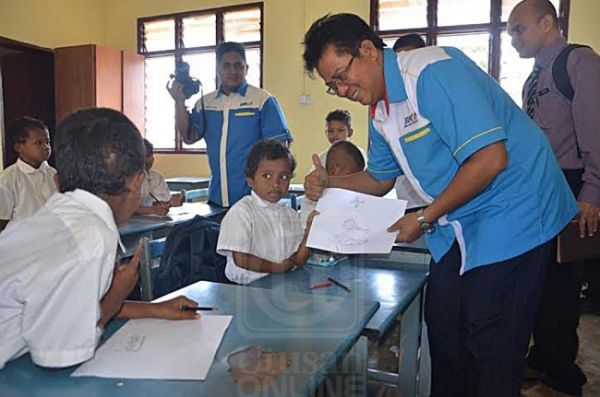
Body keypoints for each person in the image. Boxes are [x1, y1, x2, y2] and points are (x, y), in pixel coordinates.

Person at [302, 13, 578, 397]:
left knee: (489, 333)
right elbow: (380, 179)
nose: (342, 88)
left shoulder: (431, 72)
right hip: (460, 217)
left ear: (367, 50)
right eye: (333, 85)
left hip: (516, 208)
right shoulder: (380, 110)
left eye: (342, 74)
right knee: (444, 322)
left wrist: (426, 216)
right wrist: (330, 183)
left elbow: (491, 159)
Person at [0, 108, 199, 370]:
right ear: (137, 183)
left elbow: (76, 306)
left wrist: (155, 309)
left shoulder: (59, 214)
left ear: (58, 181)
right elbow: (59, 353)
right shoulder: (92, 236)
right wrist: (118, 292)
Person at [508, 1, 600, 395]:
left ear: (548, 23)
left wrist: (591, 192)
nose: (512, 39)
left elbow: (595, 132)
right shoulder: (534, 76)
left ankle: (563, 374)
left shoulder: (578, 63)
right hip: (540, 186)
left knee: (562, 285)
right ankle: (542, 356)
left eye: (518, 30)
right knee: (538, 280)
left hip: (571, 184)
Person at [167, 42, 292, 208]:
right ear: (218, 69)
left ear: (246, 68)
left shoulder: (262, 100)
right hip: (217, 199)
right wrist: (179, 102)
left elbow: (279, 149)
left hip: (255, 201)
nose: (233, 71)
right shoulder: (205, 103)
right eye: (226, 66)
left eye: (238, 66)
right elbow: (189, 137)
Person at [217, 140, 316, 285]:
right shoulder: (242, 212)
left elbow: (297, 260)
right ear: (250, 180)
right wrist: (278, 268)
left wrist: (309, 233)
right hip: (246, 290)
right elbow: (241, 259)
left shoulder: (290, 214)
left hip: (281, 285)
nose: (276, 184)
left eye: (283, 177)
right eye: (267, 176)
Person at [0, 117, 58, 232]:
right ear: (19, 147)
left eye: (47, 142)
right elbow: (2, 221)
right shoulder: (8, 179)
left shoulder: (54, 175)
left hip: (53, 241)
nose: (46, 147)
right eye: (39, 143)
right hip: (22, 245)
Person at [301, 140, 365, 228]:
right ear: (334, 170)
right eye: (348, 178)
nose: (352, 184)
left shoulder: (357, 197)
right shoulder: (314, 198)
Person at [136, 138, 183, 217]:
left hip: (153, 221)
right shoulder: (127, 178)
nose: (145, 160)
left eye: (148, 156)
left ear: (153, 158)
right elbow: (123, 208)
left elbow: (164, 201)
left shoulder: (157, 177)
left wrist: (171, 202)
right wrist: (151, 210)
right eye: (141, 157)